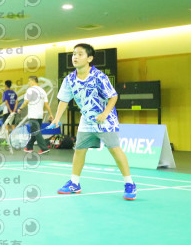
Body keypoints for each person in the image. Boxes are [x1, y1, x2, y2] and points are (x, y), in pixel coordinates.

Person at [48, 43, 137, 200]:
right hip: (87, 120)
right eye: (74, 54)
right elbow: (64, 100)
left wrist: (105, 113)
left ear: (89, 58)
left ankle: (129, 183)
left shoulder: (99, 76)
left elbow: (113, 96)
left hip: (106, 121)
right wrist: (56, 118)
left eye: (80, 54)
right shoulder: (69, 79)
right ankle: (74, 183)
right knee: (79, 150)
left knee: (115, 150)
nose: (75, 57)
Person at [15, 76, 53, 154]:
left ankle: (44, 148)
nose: (28, 83)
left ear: (32, 81)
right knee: (34, 132)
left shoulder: (30, 90)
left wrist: (20, 109)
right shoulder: (42, 91)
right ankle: (29, 147)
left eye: (29, 81)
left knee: (36, 132)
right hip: (40, 116)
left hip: (33, 115)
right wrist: (50, 114)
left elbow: (26, 102)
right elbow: (46, 104)